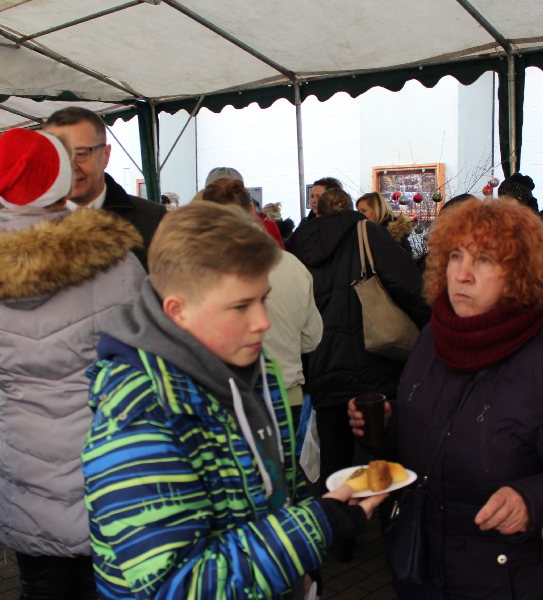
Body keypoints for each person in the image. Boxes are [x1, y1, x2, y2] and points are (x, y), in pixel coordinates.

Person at [81, 202, 386, 598]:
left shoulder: (253, 367)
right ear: (178, 311)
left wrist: (305, 571)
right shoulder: (139, 417)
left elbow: (276, 480)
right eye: (241, 306)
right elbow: (176, 587)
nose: (263, 322)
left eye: (263, 299)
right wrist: (317, 526)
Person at [349, 198, 543, 599]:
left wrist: (531, 500)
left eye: (483, 260)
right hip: (422, 569)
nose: (461, 274)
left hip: (510, 580)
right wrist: (389, 426)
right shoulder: (433, 337)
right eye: (455, 256)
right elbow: (431, 440)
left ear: (520, 273)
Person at [0, 128, 147, 599]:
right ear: (59, 180)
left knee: (40, 587)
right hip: (104, 465)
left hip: (21, 465)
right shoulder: (116, 261)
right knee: (107, 587)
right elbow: (145, 359)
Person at [288, 187, 430, 493]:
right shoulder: (368, 233)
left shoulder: (298, 245)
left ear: (319, 210)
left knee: (334, 469)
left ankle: (337, 520)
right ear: (350, 207)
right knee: (381, 470)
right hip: (374, 367)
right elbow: (411, 288)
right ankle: (381, 519)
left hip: (323, 369)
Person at [197, 178, 323, 425]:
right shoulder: (291, 265)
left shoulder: (200, 268)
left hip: (224, 400)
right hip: (286, 393)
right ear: (253, 212)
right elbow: (312, 338)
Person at [44, 106, 165, 271]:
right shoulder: (27, 224)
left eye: (81, 154)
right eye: (59, 155)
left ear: (106, 155)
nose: (70, 167)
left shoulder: (153, 221)